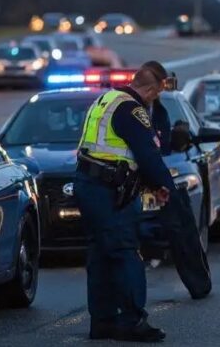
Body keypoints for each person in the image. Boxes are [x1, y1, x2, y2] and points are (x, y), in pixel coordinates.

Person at [75, 61, 175, 342]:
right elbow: (147, 153)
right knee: (124, 252)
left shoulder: (104, 99)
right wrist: (164, 186)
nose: (155, 100)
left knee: (101, 255)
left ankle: (103, 321)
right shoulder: (132, 109)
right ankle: (133, 321)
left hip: (90, 185)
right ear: (153, 89)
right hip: (108, 191)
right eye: (156, 95)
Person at [151, 97, 213, 300]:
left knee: (184, 233)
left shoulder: (158, 109)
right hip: (134, 184)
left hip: (159, 181)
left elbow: (164, 146)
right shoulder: (133, 109)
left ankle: (199, 283)